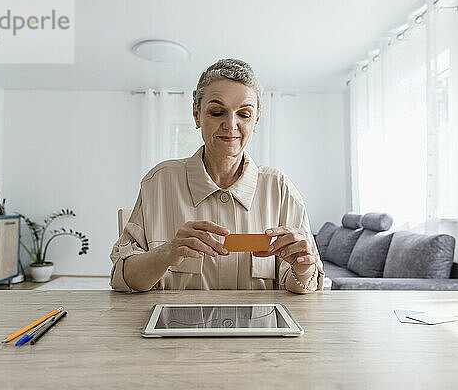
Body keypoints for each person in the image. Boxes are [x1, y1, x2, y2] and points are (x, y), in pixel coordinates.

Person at [110, 58, 324, 293]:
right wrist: (167, 252)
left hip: (260, 328)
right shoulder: (159, 182)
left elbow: (304, 286)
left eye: (244, 114)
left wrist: (303, 268)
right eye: (217, 112)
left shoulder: (279, 188)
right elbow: (123, 279)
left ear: (256, 121)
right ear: (197, 115)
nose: (230, 125)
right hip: (176, 328)